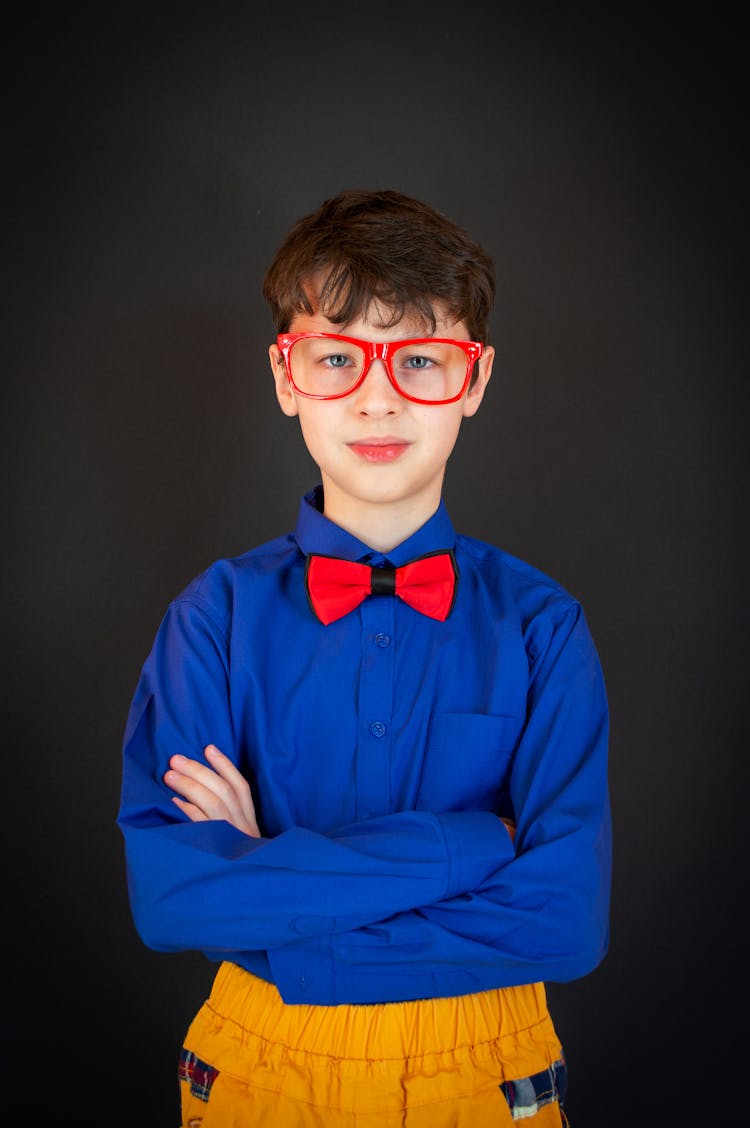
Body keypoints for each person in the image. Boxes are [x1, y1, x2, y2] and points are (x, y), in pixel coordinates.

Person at [117, 188, 611, 1127]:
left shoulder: (543, 627)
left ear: (474, 379)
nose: (378, 396)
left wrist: (265, 873)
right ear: (285, 375)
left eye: (420, 358)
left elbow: (564, 918)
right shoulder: (211, 621)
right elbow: (176, 899)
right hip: (260, 1062)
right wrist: (475, 847)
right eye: (338, 356)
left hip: (483, 1068)